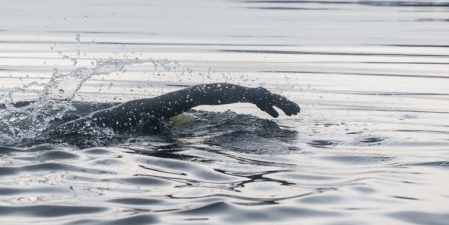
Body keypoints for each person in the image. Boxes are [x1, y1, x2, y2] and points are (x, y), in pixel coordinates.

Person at [44, 83, 300, 139]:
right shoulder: (138, 115)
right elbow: (193, 96)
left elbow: (192, 97)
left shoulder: (128, 118)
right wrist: (253, 94)